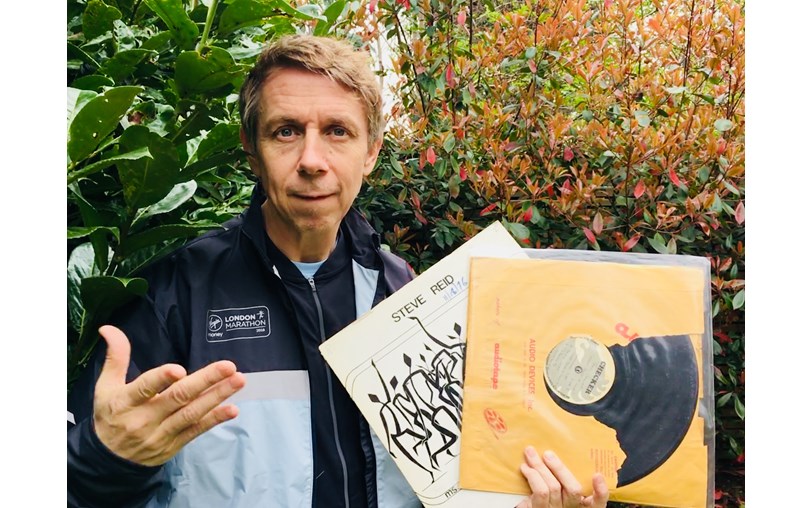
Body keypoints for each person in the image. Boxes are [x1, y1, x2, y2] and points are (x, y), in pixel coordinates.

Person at [67, 34, 609, 508]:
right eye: (285, 131)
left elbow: (455, 477)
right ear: (252, 151)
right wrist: (106, 458)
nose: (311, 160)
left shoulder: (406, 292)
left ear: (371, 152)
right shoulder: (174, 294)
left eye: (337, 131)